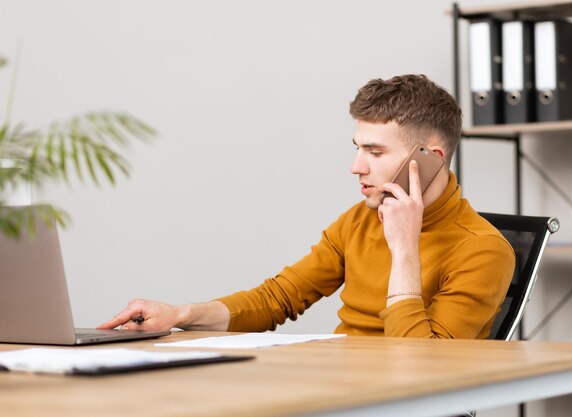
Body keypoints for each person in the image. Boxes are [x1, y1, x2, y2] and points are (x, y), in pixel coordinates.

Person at [99, 74, 515, 339]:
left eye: (374, 151)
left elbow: (424, 366)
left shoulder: (483, 249)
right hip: (343, 389)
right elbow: (279, 298)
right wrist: (178, 313)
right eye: (357, 148)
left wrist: (405, 249)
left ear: (431, 158)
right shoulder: (359, 221)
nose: (356, 167)